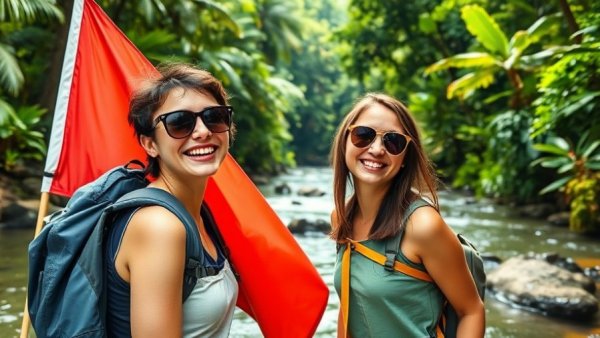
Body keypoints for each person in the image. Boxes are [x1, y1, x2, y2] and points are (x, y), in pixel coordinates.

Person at [330, 93, 485, 337]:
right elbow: (349, 307)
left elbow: (472, 310)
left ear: (404, 157)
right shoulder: (342, 218)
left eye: (393, 142)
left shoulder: (422, 226)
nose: (377, 149)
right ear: (345, 141)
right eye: (363, 135)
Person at [105, 63, 238, 337]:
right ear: (150, 144)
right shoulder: (160, 226)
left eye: (214, 117)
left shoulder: (198, 214)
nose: (202, 131)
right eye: (180, 122)